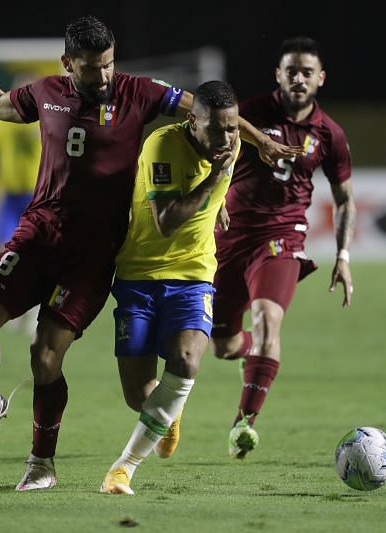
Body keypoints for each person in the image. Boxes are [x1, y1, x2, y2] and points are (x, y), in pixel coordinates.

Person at [0, 13, 297, 492]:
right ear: (68, 64)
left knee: (45, 355)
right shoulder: (46, 92)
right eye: (92, 68)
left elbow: (209, 112)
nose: (104, 76)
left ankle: (41, 464)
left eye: (109, 64)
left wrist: (261, 142)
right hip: (40, 232)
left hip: (94, 254)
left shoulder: (137, 91)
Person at [211, 37, 355, 459]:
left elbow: (344, 199)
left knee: (269, 321)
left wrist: (343, 257)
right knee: (222, 344)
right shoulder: (249, 114)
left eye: (307, 72)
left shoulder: (330, 135)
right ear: (278, 74)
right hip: (230, 238)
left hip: (282, 238)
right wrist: (214, 200)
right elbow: (214, 156)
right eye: (291, 70)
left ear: (320, 79)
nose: (298, 78)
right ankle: (250, 348)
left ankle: (244, 425)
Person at [100, 80, 240, 496]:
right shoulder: (162, 146)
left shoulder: (231, 146)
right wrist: (215, 180)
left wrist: (223, 201)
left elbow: (220, 177)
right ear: (191, 124)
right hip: (139, 274)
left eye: (232, 129)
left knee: (185, 361)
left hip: (194, 275)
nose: (226, 138)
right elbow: (166, 222)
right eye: (216, 129)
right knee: (138, 394)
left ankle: (122, 469)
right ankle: (168, 414)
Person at [0, 74, 41, 333]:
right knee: (0, 252)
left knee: (34, 257)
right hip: (10, 196)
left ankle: (35, 312)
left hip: (36, 197)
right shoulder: (1, 120)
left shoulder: (44, 119)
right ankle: (13, 308)